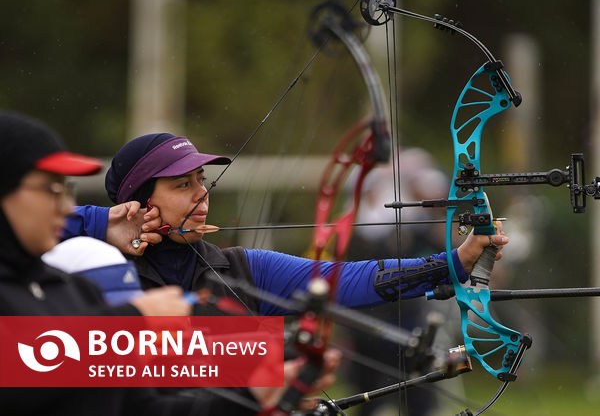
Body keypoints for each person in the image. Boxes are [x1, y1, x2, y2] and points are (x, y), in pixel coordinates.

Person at [0, 112, 338, 415]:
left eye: (66, 191)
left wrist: (254, 396)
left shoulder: (71, 291)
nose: (65, 208)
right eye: (50, 190)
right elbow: (25, 372)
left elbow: (146, 409)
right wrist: (133, 320)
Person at [65, 133, 509, 317]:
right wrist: (101, 222)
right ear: (139, 204)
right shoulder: (87, 270)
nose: (202, 195)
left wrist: (457, 261)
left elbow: (346, 280)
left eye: (202, 180)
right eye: (182, 185)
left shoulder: (242, 270)